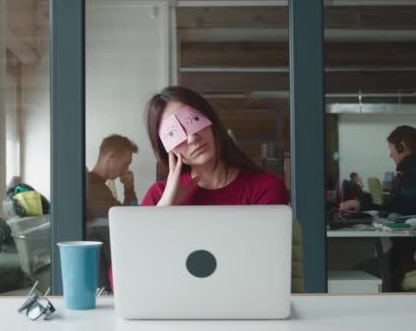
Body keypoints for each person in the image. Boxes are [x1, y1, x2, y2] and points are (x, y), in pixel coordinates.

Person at [141, 86, 290, 206]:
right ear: (166, 149)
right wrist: (166, 207)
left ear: (211, 120)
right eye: (174, 134)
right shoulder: (158, 196)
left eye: (194, 120)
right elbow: (140, 243)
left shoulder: (264, 188)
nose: (192, 138)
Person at [340, 125, 416, 215]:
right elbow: (397, 207)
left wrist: (360, 205)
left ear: (401, 147)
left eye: (391, 149)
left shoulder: (415, 174)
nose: (390, 155)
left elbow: (396, 212)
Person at [86, 134, 138, 289]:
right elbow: (128, 219)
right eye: (126, 163)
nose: (126, 169)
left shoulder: (97, 185)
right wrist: (129, 189)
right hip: (100, 266)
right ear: (112, 158)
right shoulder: (94, 189)